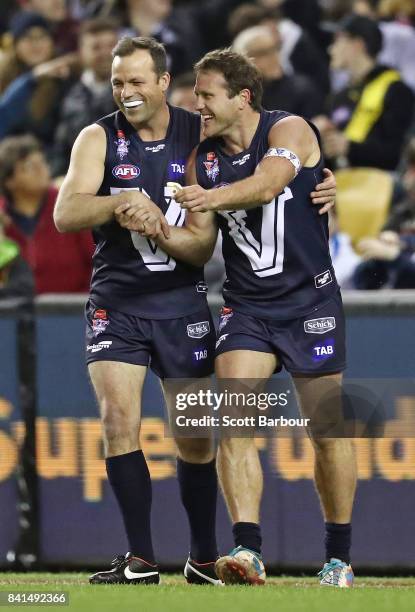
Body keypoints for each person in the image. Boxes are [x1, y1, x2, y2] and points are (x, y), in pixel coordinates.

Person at [54, 36, 337, 585]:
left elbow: (204, 246)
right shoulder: (98, 136)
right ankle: (139, 559)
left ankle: (204, 557)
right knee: (118, 420)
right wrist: (118, 203)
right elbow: (66, 212)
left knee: (195, 433)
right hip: (116, 301)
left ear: (164, 83)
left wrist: (319, 186)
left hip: (182, 304)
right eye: (118, 82)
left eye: (137, 81)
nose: (126, 93)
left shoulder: (198, 134)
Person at [315, 14, 414, 171]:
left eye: (337, 41)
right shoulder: (341, 95)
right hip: (341, 183)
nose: (331, 49)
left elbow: (395, 155)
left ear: (357, 45)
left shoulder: (396, 90)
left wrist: (349, 147)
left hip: (376, 186)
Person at [0, 135, 93, 294]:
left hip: (74, 309)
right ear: (9, 181)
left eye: (42, 162)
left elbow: (97, 261)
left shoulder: (69, 206)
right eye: (29, 166)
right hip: (14, 315)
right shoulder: (2, 219)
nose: (41, 169)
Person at [52, 18, 118, 176]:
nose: (105, 54)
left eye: (111, 46)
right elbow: (60, 148)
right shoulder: (63, 92)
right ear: (81, 52)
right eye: (96, 47)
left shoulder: (139, 91)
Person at [232, 24, 323, 118]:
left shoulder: (303, 90)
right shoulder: (237, 96)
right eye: (262, 53)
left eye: (274, 49)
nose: (273, 57)